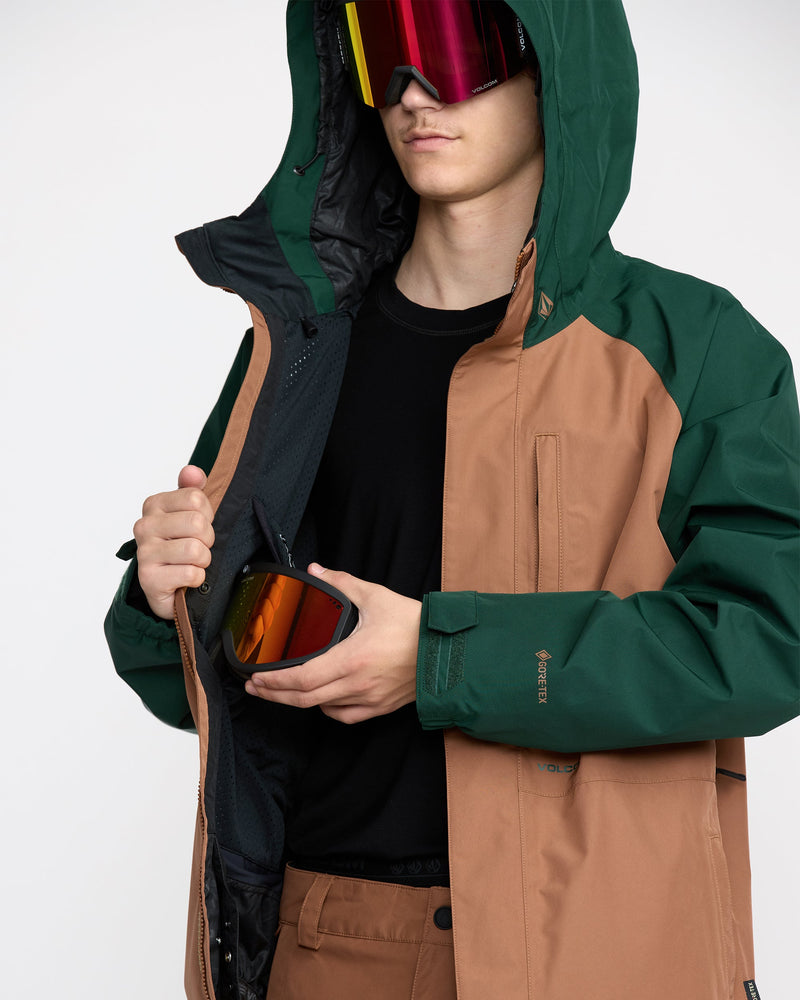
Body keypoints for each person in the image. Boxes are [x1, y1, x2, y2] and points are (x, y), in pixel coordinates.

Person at [105, 2, 799, 998]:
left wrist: (443, 659)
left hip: (602, 950)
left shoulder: (694, 348)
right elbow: (208, 686)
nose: (413, 94)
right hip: (328, 943)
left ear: (555, 64)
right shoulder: (300, 346)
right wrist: (167, 595)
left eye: (450, 45)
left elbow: (770, 640)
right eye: (381, 52)